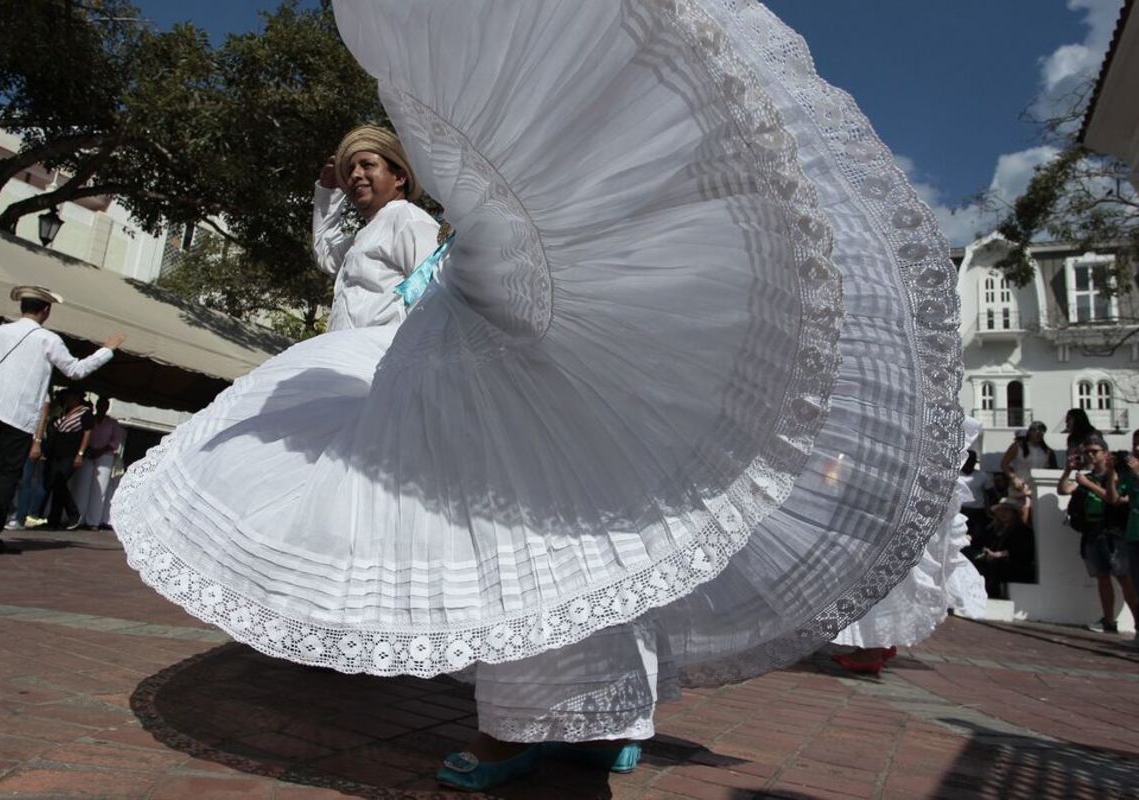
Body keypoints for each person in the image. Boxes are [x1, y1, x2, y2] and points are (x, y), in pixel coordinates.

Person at [111, 2, 965, 791]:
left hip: (468, 336)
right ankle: (599, 717)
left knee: (538, 525)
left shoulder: (423, 212)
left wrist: (424, 306)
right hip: (457, 335)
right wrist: (334, 204)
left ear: (402, 172)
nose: (361, 176)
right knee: (575, 528)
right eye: (352, 168)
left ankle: (543, 724)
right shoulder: (390, 209)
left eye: (369, 164)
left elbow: (435, 255)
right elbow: (356, 251)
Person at [0, 286, 124, 554]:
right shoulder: (47, 339)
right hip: (18, 413)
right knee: (7, 474)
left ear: (22, 306)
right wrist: (106, 351)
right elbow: (75, 370)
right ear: (46, 310)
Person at [832, 419, 988, 675]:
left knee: (876, 570)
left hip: (893, 501)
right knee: (887, 572)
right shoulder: (913, 429)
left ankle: (873, 647)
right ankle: (880, 641)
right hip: (902, 497)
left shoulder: (900, 434)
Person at [313, 125, 441, 331]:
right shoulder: (365, 235)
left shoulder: (409, 221)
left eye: (367, 165)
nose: (355, 174)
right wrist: (328, 193)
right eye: (350, 169)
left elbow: (436, 295)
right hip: (343, 357)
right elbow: (325, 256)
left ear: (399, 177)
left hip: (380, 359)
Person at [1059, 431, 1139, 633]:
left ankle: (1138, 622)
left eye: (1094, 451)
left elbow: (1114, 499)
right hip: (1093, 531)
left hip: (1114, 532)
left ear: (1105, 452)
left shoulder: (1119, 474)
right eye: (1087, 452)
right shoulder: (1087, 476)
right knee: (1102, 577)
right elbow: (1063, 489)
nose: (1090, 456)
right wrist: (1067, 470)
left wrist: (1089, 485)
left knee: (1125, 578)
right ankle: (1109, 620)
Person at [44, 388, 95, 530]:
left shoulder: (85, 413)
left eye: (69, 396)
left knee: (60, 482)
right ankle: (53, 520)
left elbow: (87, 433)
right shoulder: (63, 412)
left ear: (76, 397)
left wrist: (80, 453)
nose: (67, 399)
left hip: (71, 454)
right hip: (57, 453)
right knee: (55, 483)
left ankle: (73, 513)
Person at [1109, 429, 1139, 644]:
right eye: (1135, 444)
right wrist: (1112, 473)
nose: (1136, 449)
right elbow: (1115, 499)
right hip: (1133, 533)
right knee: (1136, 584)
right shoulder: (1129, 473)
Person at [976, 498, 1036, 600]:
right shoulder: (994, 530)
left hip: (1014, 570)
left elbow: (1021, 550)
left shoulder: (1022, 530)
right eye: (1000, 510)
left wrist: (998, 555)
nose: (1002, 513)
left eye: (1007, 510)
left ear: (1015, 513)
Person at [3, 398, 50, 531]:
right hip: (20, 436)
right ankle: (13, 512)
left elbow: (43, 417)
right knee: (16, 477)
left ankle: (20, 517)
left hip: (32, 439)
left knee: (25, 479)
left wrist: (37, 441)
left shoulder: (43, 394)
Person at [80, 396, 124, 530]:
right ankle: (79, 518)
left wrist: (100, 450)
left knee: (100, 488)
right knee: (82, 486)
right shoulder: (90, 419)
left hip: (105, 456)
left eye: (105, 405)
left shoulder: (112, 423)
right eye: (100, 404)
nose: (102, 407)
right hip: (88, 453)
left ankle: (93, 521)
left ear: (107, 407)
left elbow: (116, 442)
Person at [958, 450, 994, 554]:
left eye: (972, 461)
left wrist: (990, 509)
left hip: (978, 511)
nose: (970, 463)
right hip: (961, 510)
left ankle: (976, 554)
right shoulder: (956, 475)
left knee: (977, 534)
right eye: (968, 460)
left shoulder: (983, 475)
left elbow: (990, 493)